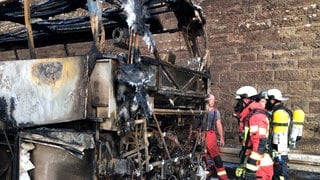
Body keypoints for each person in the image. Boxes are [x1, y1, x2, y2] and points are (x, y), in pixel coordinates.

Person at [236, 91, 274, 180]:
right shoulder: (253, 115)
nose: (238, 105)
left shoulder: (257, 117)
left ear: (245, 100)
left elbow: (260, 141)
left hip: (259, 165)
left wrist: (252, 165)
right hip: (259, 162)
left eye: (239, 101)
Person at [266, 89, 291, 180]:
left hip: (277, 147)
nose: (267, 102)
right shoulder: (287, 111)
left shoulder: (277, 113)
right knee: (280, 170)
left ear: (273, 100)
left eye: (268, 100)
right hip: (283, 146)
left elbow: (274, 132)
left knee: (279, 173)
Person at [201, 94, 228, 180]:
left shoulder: (214, 112)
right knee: (203, 156)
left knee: (214, 156)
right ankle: (206, 174)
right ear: (207, 100)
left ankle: (222, 177)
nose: (213, 101)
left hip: (208, 135)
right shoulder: (203, 111)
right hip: (203, 135)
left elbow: (219, 125)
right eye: (212, 100)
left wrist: (221, 137)